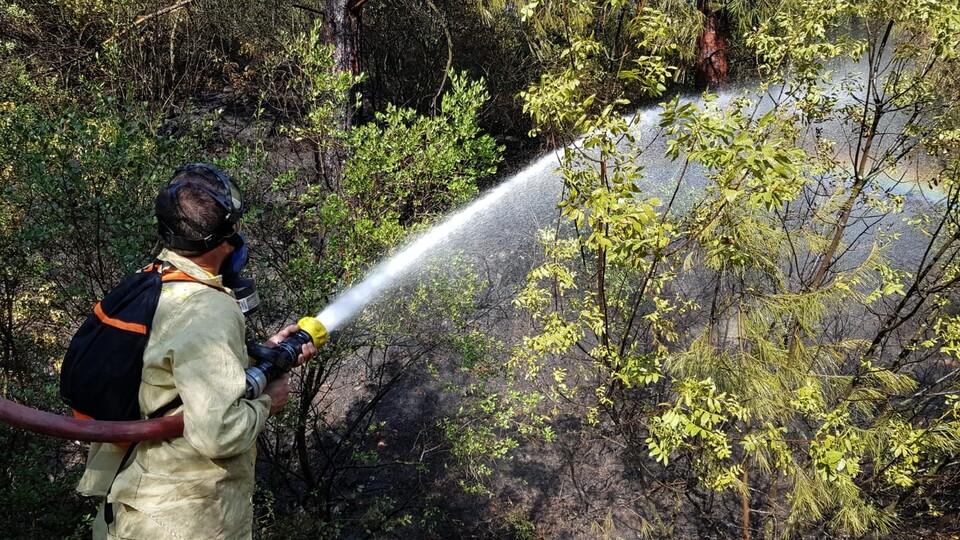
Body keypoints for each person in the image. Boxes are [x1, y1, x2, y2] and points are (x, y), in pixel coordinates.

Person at [75, 163, 317, 539]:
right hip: (183, 519)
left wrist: (256, 357)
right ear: (226, 241)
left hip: (136, 507)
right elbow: (218, 434)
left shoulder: (155, 281)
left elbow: (173, 374)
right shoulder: (209, 309)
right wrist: (269, 399)